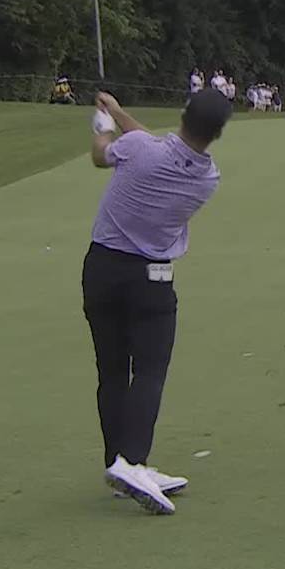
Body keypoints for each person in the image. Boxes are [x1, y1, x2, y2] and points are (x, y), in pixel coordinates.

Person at [84, 88, 230, 515]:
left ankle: (122, 463)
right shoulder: (207, 179)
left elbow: (103, 154)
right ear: (217, 133)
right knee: (149, 370)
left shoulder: (137, 150)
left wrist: (103, 123)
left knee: (112, 371)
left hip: (101, 269)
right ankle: (131, 464)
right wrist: (119, 112)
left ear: (183, 114)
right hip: (151, 279)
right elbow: (157, 147)